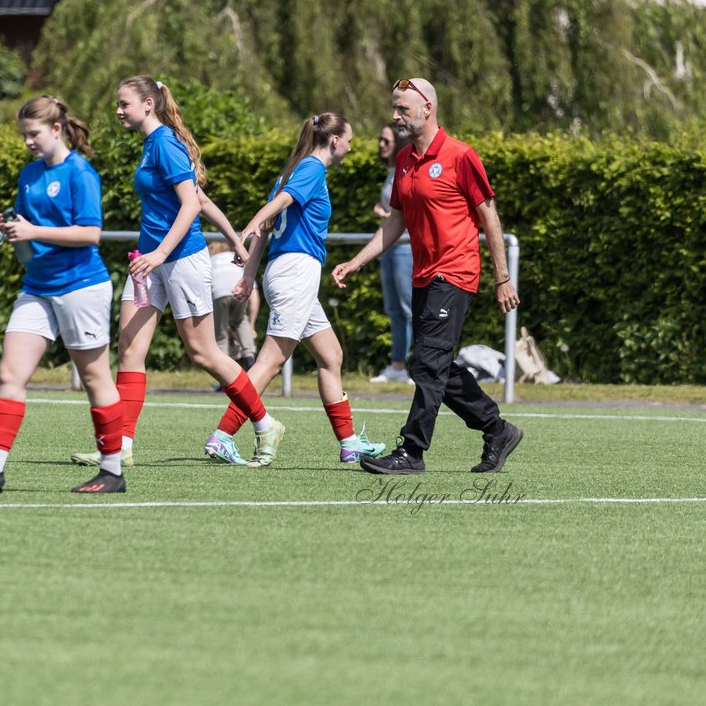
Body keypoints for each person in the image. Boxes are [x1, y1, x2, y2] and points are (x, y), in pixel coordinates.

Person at [71, 76, 281, 469]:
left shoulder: (165, 143)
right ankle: (120, 447)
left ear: (148, 103)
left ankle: (266, 424)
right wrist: (236, 240)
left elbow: (189, 205)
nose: (118, 111)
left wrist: (162, 252)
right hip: (149, 263)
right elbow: (201, 198)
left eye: (124, 104)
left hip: (181, 260)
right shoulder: (153, 144)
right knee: (130, 350)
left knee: (203, 353)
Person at [331, 78, 523, 474]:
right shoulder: (404, 160)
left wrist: (502, 277)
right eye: (395, 108)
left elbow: (489, 215)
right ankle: (496, 429)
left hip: (455, 273)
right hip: (423, 276)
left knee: (429, 363)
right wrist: (357, 261)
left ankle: (412, 451)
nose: (395, 116)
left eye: (402, 109)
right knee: (428, 365)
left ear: (427, 109)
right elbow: (395, 222)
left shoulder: (460, 155)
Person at [0, 96, 126, 494]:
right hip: (37, 286)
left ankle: (113, 471)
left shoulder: (81, 172)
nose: (28, 141)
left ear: (57, 129)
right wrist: (11, 227)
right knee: (10, 373)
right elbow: (29, 225)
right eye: (24, 134)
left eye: (34, 133)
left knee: (95, 377)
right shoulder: (28, 174)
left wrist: (33, 231)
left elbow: (90, 234)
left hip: (81, 285)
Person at [203, 114, 386, 467]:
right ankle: (222, 436)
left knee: (331, 356)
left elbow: (267, 229)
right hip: (295, 273)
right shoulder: (312, 169)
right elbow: (275, 211)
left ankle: (349, 443)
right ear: (334, 141)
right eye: (349, 139)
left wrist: (248, 275)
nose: (351, 145)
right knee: (271, 361)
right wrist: (254, 220)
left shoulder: (292, 171)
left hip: (287, 273)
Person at [370, 122, 414, 384]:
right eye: (381, 140)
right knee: (394, 309)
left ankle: (418, 366)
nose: (382, 145)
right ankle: (397, 366)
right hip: (390, 248)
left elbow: (405, 215)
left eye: (387, 141)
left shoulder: (404, 169)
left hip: (404, 248)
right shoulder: (391, 171)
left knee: (410, 308)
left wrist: (384, 214)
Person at [209, 240, 257, 371]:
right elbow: (255, 296)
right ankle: (249, 359)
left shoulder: (211, 260)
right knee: (241, 321)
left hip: (218, 293)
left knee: (221, 334)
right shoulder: (238, 257)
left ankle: (224, 375)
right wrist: (252, 326)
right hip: (239, 289)